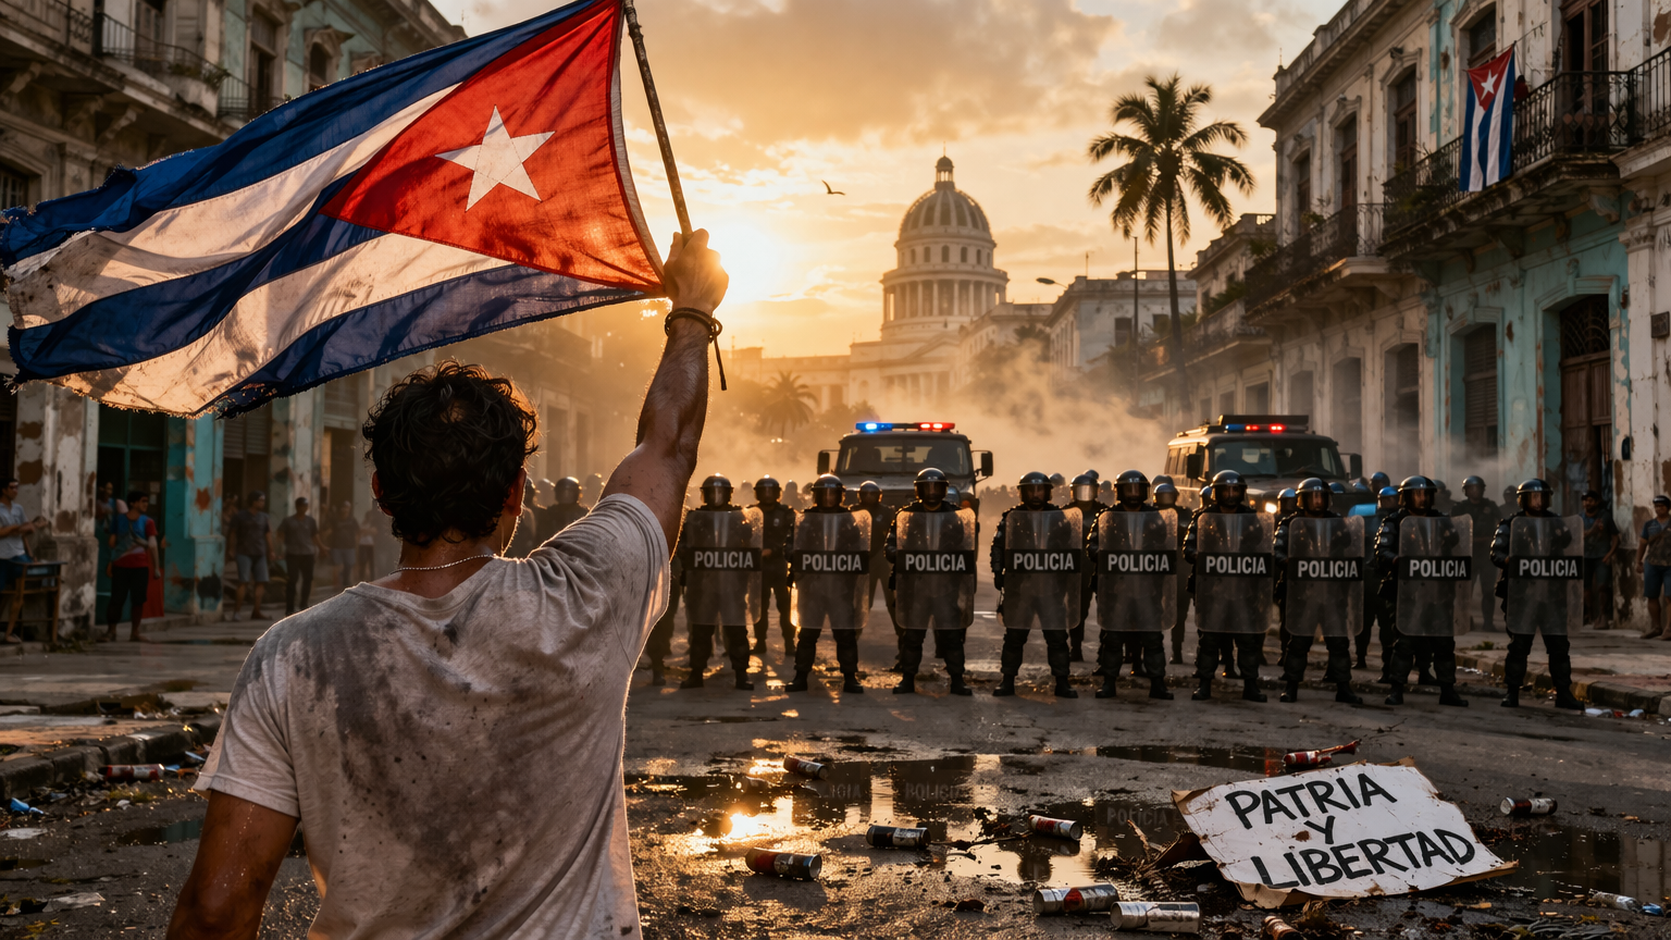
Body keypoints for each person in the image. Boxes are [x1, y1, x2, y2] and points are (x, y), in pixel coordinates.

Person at [171, 228, 724, 940]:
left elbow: (217, 909)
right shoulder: (588, 595)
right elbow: (668, 446)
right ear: (517, 492)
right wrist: (692, 312)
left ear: (380, 490)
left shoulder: (293, 655)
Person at [1376, 475, 1468, 707]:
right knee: (1404, 643)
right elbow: (1381, 550)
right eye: (1416, 494)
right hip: (1406, 591)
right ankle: (1397, 689)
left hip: (1437, 591)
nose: (1422, 498)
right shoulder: (1394, 521)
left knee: (1444, 644)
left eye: (1425, 494)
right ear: (1406, 497)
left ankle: (1448, 689)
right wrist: (1396, 560)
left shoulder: (1441, 520)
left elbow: (1455, 543)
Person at [1490, 478, 1582, 708]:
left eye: (1542, 497)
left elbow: (1568, 541)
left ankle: (1564, 694)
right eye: (1534, 497)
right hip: (1522, 596)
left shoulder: (1555, 521)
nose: (1539, 502)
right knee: (1519, 647)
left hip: (1552, 595)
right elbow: (1496, 551)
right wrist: (1507, 560)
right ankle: (1512, 692)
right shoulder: (1510, 524)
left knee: (1559, 647)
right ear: (1524, 500)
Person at [990, 471, 1081, 698]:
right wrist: (998, 571)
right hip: (1021, 588)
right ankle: (1008, 680)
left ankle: (1062, 682)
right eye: (1031, 489)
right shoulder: (1012, 517)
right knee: (1014, 637)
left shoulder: (1059, 518)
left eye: (1040, 489)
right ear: (1023, 493)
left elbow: (1071, 549)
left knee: (1057, 638)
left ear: (1048, 492)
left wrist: (1068, 577)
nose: (1036, 494)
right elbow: (997, 547)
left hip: (1051, 587)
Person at [1274, 479, 1362, 705]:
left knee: (1339, 643)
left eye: (1321, 496)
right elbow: (1276, 550)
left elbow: (1350, 545)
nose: (1318, 500)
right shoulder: (1290, 523)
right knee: (1298, 643)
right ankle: (1291, 687)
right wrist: (1288, 562)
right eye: (1313, 496)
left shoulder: (1336, 522)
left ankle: (1344, 688)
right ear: (1302, 499)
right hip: (1302, 594)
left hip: (1332, 592)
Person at [888, 468, 975, 695]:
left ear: (944, 490)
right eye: (928, 487)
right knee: (912, 637)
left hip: (946, 587)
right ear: (919, 490)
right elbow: (890, 545)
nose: (932, 492)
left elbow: (966, 548)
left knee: (951, 637)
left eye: (937, 487)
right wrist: (899, 553)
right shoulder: (905, 516)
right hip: (916, 587)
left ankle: (957, 680)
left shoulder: (956, 517)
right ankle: (908, 679)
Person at [1183, 470, 1268, 702]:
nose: (1230, 494)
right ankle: (1204, 685)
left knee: (1247, 640)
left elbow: (1261, 546)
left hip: (1243, 588)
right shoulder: (1202, 517)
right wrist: (1198, 554)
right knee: (1209, 639)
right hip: (1213, 589)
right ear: (1216, 492)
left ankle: (1251, 685)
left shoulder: (1251, 517)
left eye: (1234, 490)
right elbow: (1187, 548)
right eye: (1226, 490)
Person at [1089, 470, 1173, 700]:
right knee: (1113, 638)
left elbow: (1166, 547)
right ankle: (1109, 683)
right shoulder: (1107, 517)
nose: (1134, 493)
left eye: (1138, 489)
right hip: (1117, 588)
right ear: (1120, 492)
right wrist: (1105, 553)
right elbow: (1092, 546)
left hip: (1147, 587)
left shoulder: (1156, 517)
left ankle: (1158, 683)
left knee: (1153, 638)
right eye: (1129, 489)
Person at [786, 475, 868, 694]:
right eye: (824, 493)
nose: (829, 498)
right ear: (817, 496)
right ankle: (800, 676)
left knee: (845, 635)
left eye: (833, 493)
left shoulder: (849, 518)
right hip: (812, 587)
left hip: (840, 587)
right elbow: (791, 545)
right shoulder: (804, 518)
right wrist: (795, 555)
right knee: (807, 635)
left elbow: (859, 549)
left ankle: (850, 677)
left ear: (840, 495)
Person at [678, 474, 758, 691]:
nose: (716, 496)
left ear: (729, 494)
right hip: (704, 584)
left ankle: (741, 674)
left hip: (731, 584)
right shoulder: (695, 517)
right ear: (704, 495)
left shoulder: (739, 516)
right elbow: (684, 546)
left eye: (721, 492)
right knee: (701, 630)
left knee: (736, 630)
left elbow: (750, 545)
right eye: (712, 492)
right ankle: (696, 673)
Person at [103, 490, 161, 642]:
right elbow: (112, 542)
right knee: (117, 599)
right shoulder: (120, 519)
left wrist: (155, 567)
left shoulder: (148, 522)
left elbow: (153, 545)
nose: (146, 504)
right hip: (121, 565)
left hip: (139, 566)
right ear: (132, 503)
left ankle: (128, 632)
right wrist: (111, 561)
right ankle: (115, 631)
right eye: (143, 501)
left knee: (137, 600)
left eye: (147, 501)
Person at [750, 475, 797, 658]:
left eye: (771, 491)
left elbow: (794, 536)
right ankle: (760, 642)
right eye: (764, 491)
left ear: (778, 493)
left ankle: (789, 643)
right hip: (759, 567)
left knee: (785, 608)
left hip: (781, 566)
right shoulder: (751, 513)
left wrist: (774, 550)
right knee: (758, 607)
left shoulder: (787, 513)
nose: (768, 495)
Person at [1450, 476, 1501, 632]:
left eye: (1477, 488)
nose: (1474, 491)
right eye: (1471, 488)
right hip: (1467, 555)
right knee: (1464, 592)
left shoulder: (1491, 506)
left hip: (1486, 554)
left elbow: (1500, 525)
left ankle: (1488, 622)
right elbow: (1452, 529)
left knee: (1488, 591)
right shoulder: (1459, 508)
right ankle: (1464, 621)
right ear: (1466, 491)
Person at [1066, 472, 1107, 664]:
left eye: (1088, 490)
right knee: (1077, 611)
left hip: (1101, 568)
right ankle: (1075, 648)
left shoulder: (1105, 512)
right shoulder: (1065, 513)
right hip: (1075, 569)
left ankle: (1105, 651)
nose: (1084, 494)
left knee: (1106, 610)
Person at [1153, 480, 1190, 665]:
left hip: (1178, 568)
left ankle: (1177, 651)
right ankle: (1152, 652)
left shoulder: (1185, 514)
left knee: (1179, 614)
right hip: (1153, 569)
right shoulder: (1149, 514)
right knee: (1152, 611)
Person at [1364, 485, 1400, 672]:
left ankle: (1388, 666)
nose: (1388, 503)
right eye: (1385, 500)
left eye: (1391, 499)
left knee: (1388, 627)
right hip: (1370, 577)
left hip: (1390, 578)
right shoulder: (1371, 520)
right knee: (1365, 622)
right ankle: (1361, 657)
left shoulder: (1402, 521)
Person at [225, 491, 274, 621]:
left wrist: (271, 551)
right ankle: (236, 612)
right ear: (253, 501)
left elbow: (268, 535)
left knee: (261, 582)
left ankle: (256, 611)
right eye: (260, 500)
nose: (262, 503)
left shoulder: (264, 517)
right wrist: (230, 549)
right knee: (244, 582)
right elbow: (232, 533)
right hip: (243, 552)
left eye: (263, 501)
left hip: (260, 553)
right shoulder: (240, 516)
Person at [276, 498, 323, 617]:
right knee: (292, 580)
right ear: (297, 506)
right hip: (293, 554)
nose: (304, 508)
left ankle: (303, 604)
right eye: (301, 506)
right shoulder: (288, 521)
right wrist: (280, 548)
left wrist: (321, 548)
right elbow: (280, 534)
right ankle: (290, 607)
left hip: (308, 553)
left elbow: (314, 536)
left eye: (305, 506)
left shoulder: (311, 521)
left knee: (307, 579)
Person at [1579, 490, 1619, 628]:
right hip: (1584, 556)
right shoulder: (1579, 518)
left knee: (1602, 586)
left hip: (1602, 556)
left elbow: (1615, 537)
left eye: (1590, 500)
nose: (1587, 503)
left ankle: (1603, 615)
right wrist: (1592, 530)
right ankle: (1589, 614)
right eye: (1585, 500)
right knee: (1585, 587)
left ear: (1596, 502)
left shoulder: (1605, 517)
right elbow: (1577, 537)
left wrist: (1609, 554)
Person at [326, 501, 359, 589]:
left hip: (349, 547)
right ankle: (338, 585)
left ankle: (346, 581)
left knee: (349, 565)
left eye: (347, 507)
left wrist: (356, 545)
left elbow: (357, 533)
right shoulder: (335, 519)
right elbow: (329, 531)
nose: (345, 509)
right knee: (338, 566)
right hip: (337, 546)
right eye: (343, 507)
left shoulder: (352, 520)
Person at [357, 508, 378, 582]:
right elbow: (359, 532)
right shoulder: (362, 523)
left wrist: (367, 531)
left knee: (371, 562)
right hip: (362, 544)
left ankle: (372, 579)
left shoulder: (372, 523)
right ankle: (361, 578)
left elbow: (374, 531)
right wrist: (368, 531)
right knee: (363, 561)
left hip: (370, 545)